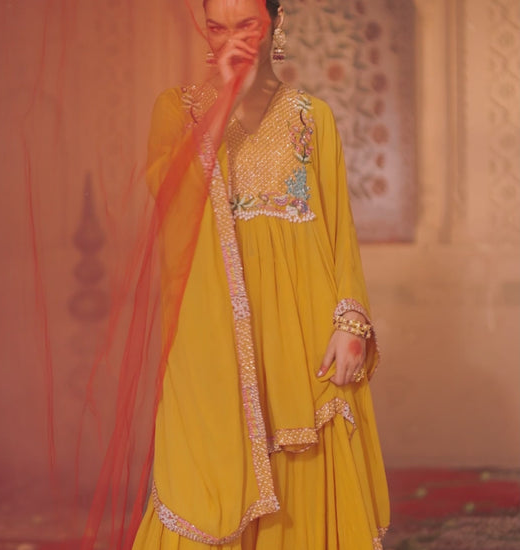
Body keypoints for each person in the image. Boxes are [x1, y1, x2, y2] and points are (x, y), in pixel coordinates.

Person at [131, 0, 390, 548]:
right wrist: (224, 100)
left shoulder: (312, 117)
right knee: (206, 461)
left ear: (276, 22)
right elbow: (168, 194)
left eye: (246, 24)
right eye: (217, 27)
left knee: (304, 466)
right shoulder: (177, 109)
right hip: (213, 323)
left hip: (302, 324)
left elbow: (338, 230)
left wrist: (350, 322)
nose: (232, 40)